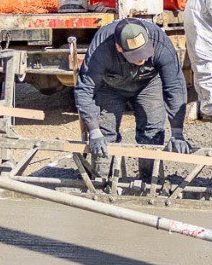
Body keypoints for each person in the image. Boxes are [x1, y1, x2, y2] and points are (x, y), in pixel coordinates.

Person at [74, 18, 189, 182]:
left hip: (148, 83)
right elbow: (85, 89)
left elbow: (175, 86)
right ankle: (102, 180)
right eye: (134, 55)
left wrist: (177, 132)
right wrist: (93, 131)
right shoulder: (101, 49)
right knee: (105, 132)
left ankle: (149, 181)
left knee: (153, 130)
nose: (140, 59)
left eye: (143, 53)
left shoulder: (160, 42)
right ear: (118, 47)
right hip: (110, 85)